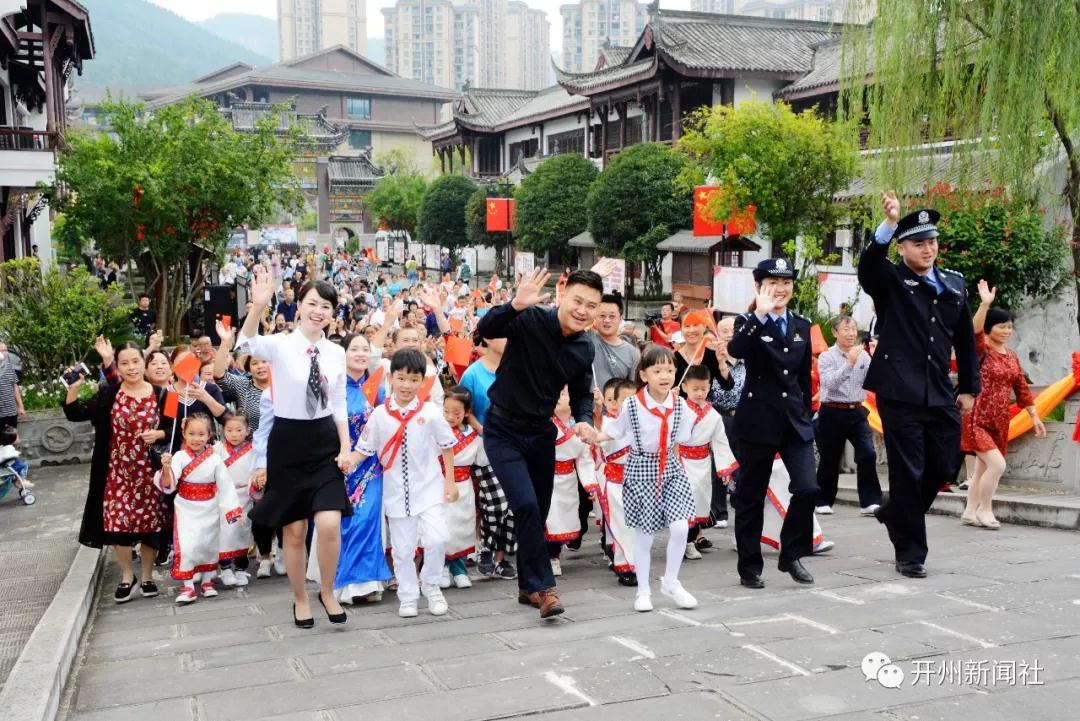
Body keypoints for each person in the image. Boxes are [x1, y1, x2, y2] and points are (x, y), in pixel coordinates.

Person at [859, 192, 980, 579]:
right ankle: (910, 553)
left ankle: (896, 513)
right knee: (907, 471)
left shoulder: (955, 284)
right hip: (899, 391)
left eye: (932, 242)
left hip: (939, 391)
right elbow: (868, 268)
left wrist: (968, 388)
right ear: (903, 246)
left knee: (944, 464)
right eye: (918, 243)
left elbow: (964, 339)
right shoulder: (892, 279)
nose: (928, 249)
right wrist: (888, 224)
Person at [477, 267, 604, 619]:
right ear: (563, 296)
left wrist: (582, 421)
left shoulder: (584, 347)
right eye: (578, 301)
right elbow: (486, 330)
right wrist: (513, 305)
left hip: (541, 434)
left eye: (591, 306)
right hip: (502, 429)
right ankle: (545, 589)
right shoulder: (529, 318)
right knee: (528, 506)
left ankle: (526, 588)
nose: (583, 310)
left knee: (538, 511)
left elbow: (581, 395)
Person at [237, 270, 354, 628]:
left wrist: (346, 447)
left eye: (326, 306)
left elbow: (338, 403)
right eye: (312, 304)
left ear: (334, 313)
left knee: (330, 522)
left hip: (324, 442)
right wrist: (258, 306)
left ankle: (328, 590)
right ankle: (300, 597)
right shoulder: (280, 343)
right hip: (287, 442)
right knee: (295, 530)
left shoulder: (335, 352)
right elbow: (247, 343)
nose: (319, 311)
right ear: (300, 306)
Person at [727, 257, 818, 589]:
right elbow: (736, 349)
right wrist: (760, 314)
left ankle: (790, 553)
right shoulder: (748, 322)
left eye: (786, 283)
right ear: (759, 287)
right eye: (773, 284)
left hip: (794, 421)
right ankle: (749, 565)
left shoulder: (801, 325)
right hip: (758, 420)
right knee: (751, 496)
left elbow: (803, 377)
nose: (780, 290)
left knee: (808, 487)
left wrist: (806, 414)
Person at [63, 343, 172, 603]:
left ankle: (146, 577)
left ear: (143, 364)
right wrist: (73, 388)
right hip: (116, 473)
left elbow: (173, 428)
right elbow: (75, 413)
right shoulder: (108, 394)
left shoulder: (164, 395)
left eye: (136, 361)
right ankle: (127, 576)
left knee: (151, 525)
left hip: (150, 473)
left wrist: (158, 433)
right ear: (118, 367)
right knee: (116, 525)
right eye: (125, 363)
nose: (132, 367)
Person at [353, 349, 458, 618]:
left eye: (413, 380)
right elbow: (364, 448)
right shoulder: (379, 414)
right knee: (402, 549)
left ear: (422, 381)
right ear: (391, 378)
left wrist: (450, 481)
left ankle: (432, 586)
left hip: (430, 488)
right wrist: (346, 461)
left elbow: (447, 446)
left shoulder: (431, 412)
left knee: (438, 538)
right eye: (401, 379)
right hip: (396, 492)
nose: (406, 386)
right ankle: (408, 595)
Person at [594, 345, 699, 612]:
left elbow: (684, 437)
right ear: (644, 375)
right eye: (658, 370)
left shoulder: (681, 405)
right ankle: (643, 591)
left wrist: (688, 416)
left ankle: (672, 581)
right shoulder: (632, 404)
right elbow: (614, 432)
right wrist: (593, 434)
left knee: (680, 528)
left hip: (672, 469)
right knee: (645, 535)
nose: (665, 375)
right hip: (641, 469)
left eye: (670, 370)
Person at [960, 280, 1044, 529]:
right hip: (977, 417)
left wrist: (1034, 416)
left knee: (985, 467)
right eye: (1002, 326)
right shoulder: (981, 350)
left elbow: (1021, 388)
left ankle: (969, 511)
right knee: (997, 465)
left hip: (1000, 419)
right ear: (989, 329)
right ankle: (986, 510)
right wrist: (985, 305)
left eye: (1010, 327)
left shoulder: (1012, 356)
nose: (1007, 331)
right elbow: (973, 332)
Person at [158, 414, 245, 603]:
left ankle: (207, 582)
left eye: (201, 434)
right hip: (186, 507)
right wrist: (166, 468)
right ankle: (188, 587)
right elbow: (169, 483)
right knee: (188, 546)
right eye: (191, 434)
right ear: (183, 434)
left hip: (210, 507)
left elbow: (225, 484)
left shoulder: (214, 458)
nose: (196, 438)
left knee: (208, 545)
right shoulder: (180, 457)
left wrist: (232, 510)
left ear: (209, 435)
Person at [442, 386, 516, 580]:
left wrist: (478, 429)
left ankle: (458, 569)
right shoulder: (436, 432)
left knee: (462, 524)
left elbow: (483, 460)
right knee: (441, 524)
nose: (450, 417)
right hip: (440, 484)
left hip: (464, 485)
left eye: (456, 413)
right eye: (446, 411)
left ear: (467, 413)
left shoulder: (473, 438)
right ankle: (440, 566)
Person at [814, 315, 882, 516]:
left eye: (853, 329)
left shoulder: (864, 356)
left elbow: (875, 381)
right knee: (829, 458)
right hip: (831, 411)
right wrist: (849, 364)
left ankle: (870, 502)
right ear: (835, 333)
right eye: (846, 329)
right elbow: (829, 383)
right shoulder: (826, 357)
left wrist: (877, 358)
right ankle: (823, 501)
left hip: (856, 411)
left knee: (868, 453)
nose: (851, 333)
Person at [678, 365, 736, 560]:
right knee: (686, 501)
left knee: (701, 502)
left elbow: (720, 442)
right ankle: (685, 542)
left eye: (704, 388)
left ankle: (691, 539)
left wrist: (725, 470)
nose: (700, 393)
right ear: (685, 387)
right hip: (681, 461)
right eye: (695, 389)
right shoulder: (677, 407)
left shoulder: (713, 414)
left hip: (702, 463)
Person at [545, 387, 598, 577]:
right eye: (556, 393)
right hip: (548, 478)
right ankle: (552, 556)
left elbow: (584, 458)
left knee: (567, 517)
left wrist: (590, 483)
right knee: (551, 518)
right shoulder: (546, 424)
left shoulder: (579, 426)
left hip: (569, 478)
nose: (560, 398)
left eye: (565, 393)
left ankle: (556, 551)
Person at [598, 378, 637, 586]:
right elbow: (601, 438)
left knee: (638, 526)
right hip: (616, 482)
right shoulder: (609, 423)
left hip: (639, 481)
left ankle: (635, 563)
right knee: (622, 525)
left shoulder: (643, 421)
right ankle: (625, 567)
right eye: (625, 400)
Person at [214, 413, 256, 587]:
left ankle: (240, 568)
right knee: (224, 532)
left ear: (247, 431)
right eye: (229, 430)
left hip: (244, 495)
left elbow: (256, 471)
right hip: (224, 497)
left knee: (243, 530)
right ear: (223, 431)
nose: (234, 434)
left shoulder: (254, 450)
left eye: (239, 430)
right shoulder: (217, 450)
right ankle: (225, 568)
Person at [588, 294, 641, 395]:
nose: (607, 320)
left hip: (615, 409)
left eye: (612, 316)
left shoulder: (632, 353)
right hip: (586, 408)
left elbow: (633, 390)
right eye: (602, 315)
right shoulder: (586, 338)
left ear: (621, 319)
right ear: (595, 316)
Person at [459, 333, 504, 430]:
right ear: (487, 338)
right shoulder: (471, 375)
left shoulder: (516, 369)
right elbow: (464, 411)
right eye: (504, 334)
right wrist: (483, 432)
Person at [0, 342, 25, 429]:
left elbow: (15, 388)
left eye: (6, 350)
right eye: (2, 350)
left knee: (12, 438)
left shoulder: (10, 367)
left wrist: (20, 407)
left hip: (11, 412)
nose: (5, 353)